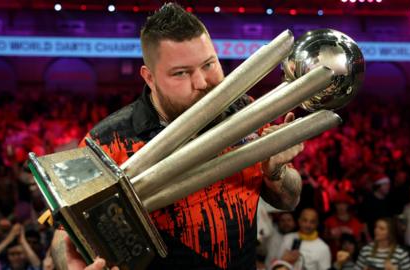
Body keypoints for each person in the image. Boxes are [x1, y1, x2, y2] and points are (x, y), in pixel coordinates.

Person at [50, 3, 304, 270]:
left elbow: (288, 200)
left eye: (209, 64)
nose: (202, 82)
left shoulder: (245, 111)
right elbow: (64, 234)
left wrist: (276, 172)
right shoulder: (104, 142)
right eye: (181, 73)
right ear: (149, 78)